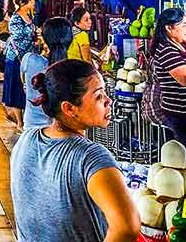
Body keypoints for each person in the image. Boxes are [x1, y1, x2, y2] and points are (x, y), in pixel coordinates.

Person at [12, 59, 139, 241]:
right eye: (98, 96)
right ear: (69, 108)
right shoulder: (91, 157)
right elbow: (127, 227)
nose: (108, 101)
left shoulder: (26, 139)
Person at [143, 8, 186, 157]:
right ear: (169, 28)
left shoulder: (180, 46)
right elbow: (185, 80)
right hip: (179, 112)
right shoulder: (167, 50)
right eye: (183, 25)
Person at [23, 17, 73, 130]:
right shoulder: (73, 69)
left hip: (32, 128)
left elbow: (25, 85)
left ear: (45, 39)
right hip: (63, 131)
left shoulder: (29, 60)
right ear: (70, 40)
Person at [1, 0, 37, 131]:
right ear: (23, 2)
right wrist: (33, 32)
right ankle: (19, 123)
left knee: (25, 88)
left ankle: (22, 119)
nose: (34, 2)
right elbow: (18, 36)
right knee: (16, 88)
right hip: (16, 58)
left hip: (27, 57)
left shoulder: (29, 16)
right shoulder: (16, 18)